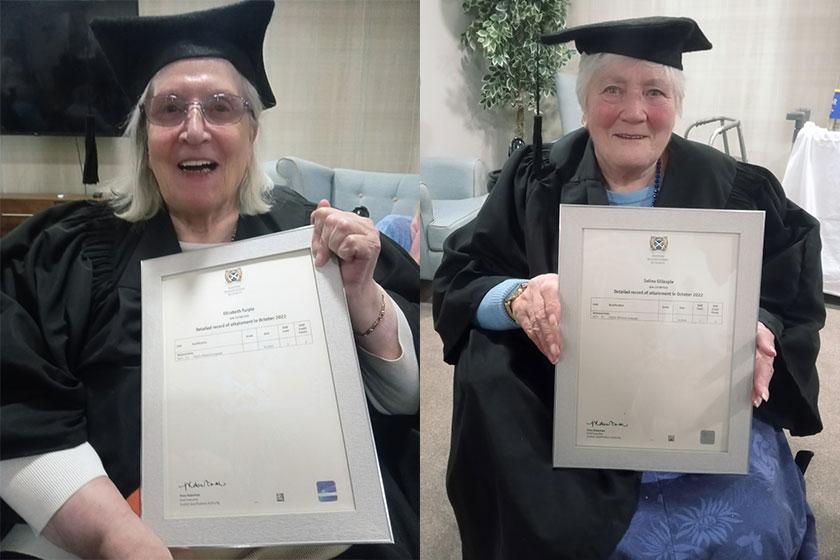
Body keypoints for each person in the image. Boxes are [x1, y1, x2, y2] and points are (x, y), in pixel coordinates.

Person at [0, 2, 419, 559]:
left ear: (251, 131)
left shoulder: (314, 238)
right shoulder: (65, 251)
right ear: (143, 136)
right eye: (170, 109)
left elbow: (405, 400)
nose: (194, 129)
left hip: (301, 537)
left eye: (220, 107)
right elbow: (17, 405)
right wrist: (113, 536)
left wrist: (362, 295)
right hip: (107, 535)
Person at [433, 16, 824, 559]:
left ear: (677, 104)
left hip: (696, 401)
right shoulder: (536, 178)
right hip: (561, 400)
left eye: (655, 91)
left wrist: (758, 327)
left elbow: (787, 286)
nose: (634, 111)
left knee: (749, 525)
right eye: (612, 89)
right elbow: (463, 275)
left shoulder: (734, 187)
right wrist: (520, 297)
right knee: (486, 364)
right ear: (586, 100)